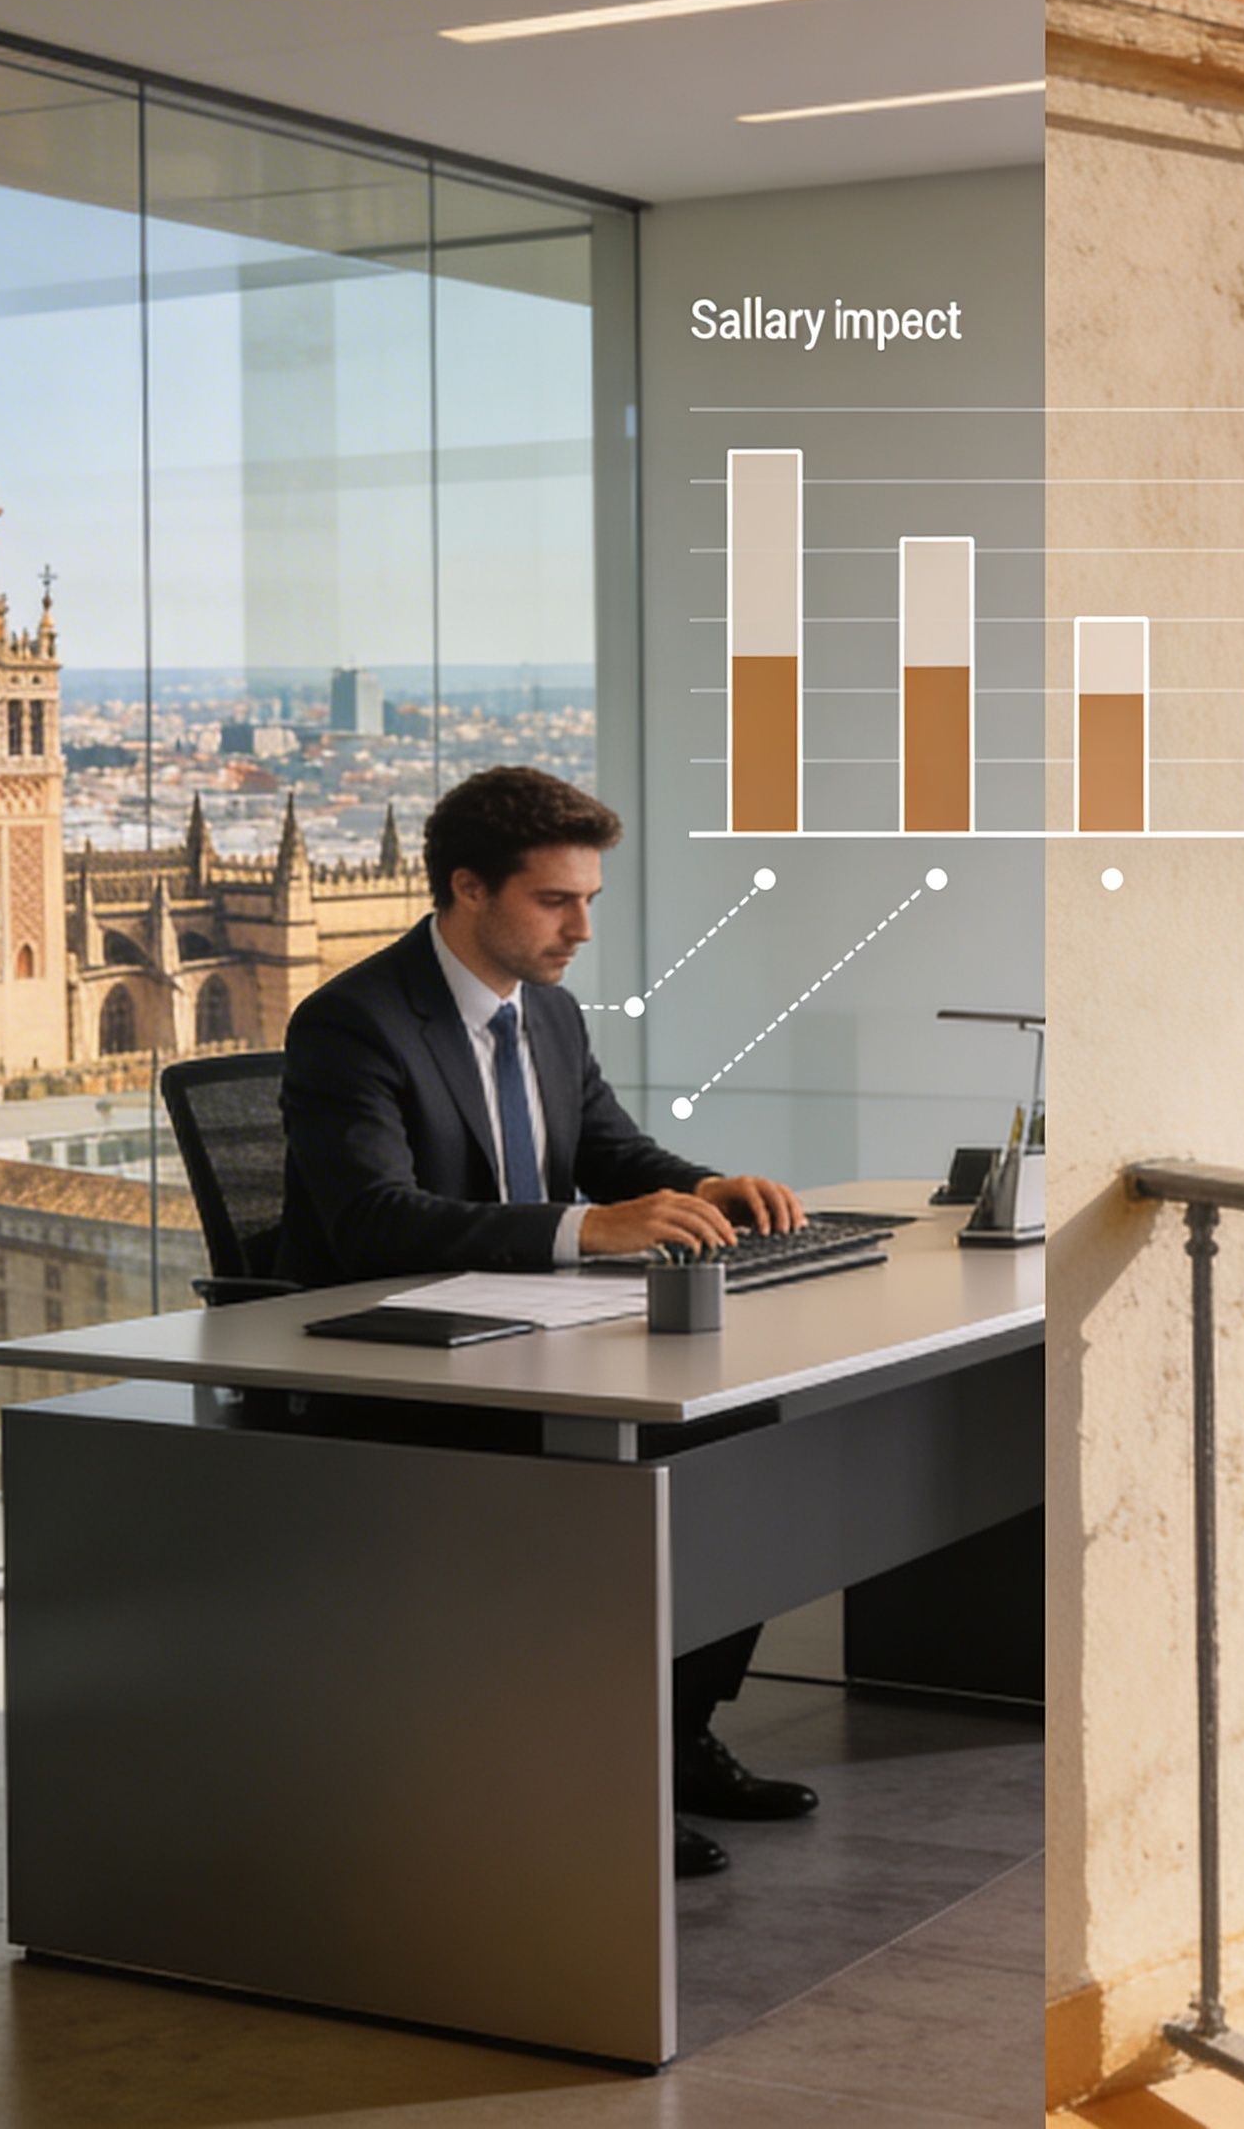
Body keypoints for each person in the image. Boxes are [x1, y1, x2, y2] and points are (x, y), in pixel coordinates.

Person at [280, 766, 819, 1880]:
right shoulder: (353, 1024)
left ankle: (676, 1739)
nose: (580, 928)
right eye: (554, 902)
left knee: (745, 1430)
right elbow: (374, 1222)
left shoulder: (553, 1015)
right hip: (401, 1364)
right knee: (659, 1465)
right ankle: (603, 1772)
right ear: (467, 890)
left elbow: (613, 1156)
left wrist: (711, 1188)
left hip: (537, 1333)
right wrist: (589, 1233)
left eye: (589, 902)